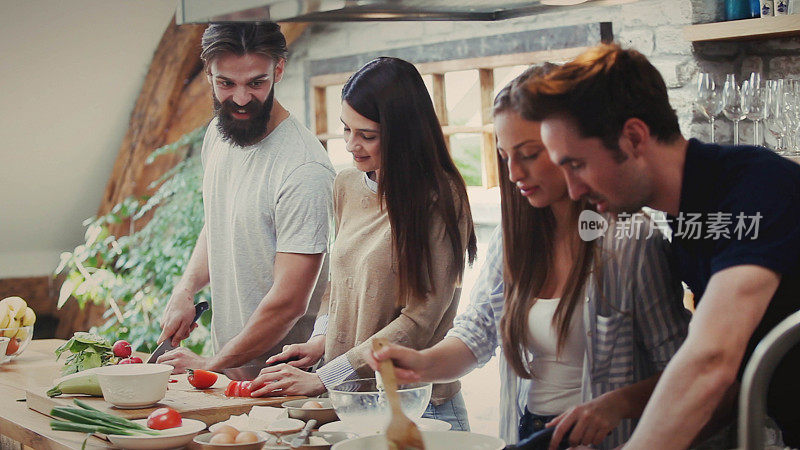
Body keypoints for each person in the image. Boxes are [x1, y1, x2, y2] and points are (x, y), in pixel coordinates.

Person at [369, 66, 691, 449]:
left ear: (566, 143)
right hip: (527, 432)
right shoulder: (514, 236)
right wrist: (421, 363)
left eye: (529, 155)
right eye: (505, 156)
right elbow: (478, 332)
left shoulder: (630, 240)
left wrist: (615, 406)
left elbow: (682, 369)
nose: (513, 172)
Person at [521, 43, 800, 448]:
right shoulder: (687, 212)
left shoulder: (756, 190)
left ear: (634, 137)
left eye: (577, 164)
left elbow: (712, 362)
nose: (573, 189)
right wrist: (618, 403)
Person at [249, 57, 478, 431]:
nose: (353, 146)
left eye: (368, 135)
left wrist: (327, 376)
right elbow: (339, 283)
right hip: (352, 400)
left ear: (405, 133)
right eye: (346, 129)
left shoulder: (440, 199)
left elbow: (420, 321)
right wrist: (322, 338)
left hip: (418, 406)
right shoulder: (347, 185)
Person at [155, 22, 335, 374]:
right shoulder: (219, 136)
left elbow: (289, 303)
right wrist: (186, 288)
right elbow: (219, 222)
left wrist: (211, 363)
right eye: (226, 83)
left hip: (282, 386)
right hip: (226, 377)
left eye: (256, 83)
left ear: (278, 70)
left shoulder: (304, 169)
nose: (239, 99)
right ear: (209, 73)